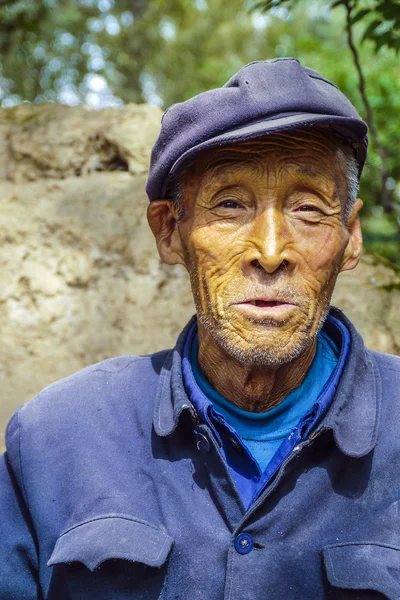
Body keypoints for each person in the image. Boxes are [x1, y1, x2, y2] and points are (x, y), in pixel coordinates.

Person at [0, 58, 399, 600]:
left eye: (308, 208)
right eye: (230, 205)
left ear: (350, 238)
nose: (271, 251)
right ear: (170, 232)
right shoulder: (58, 439)